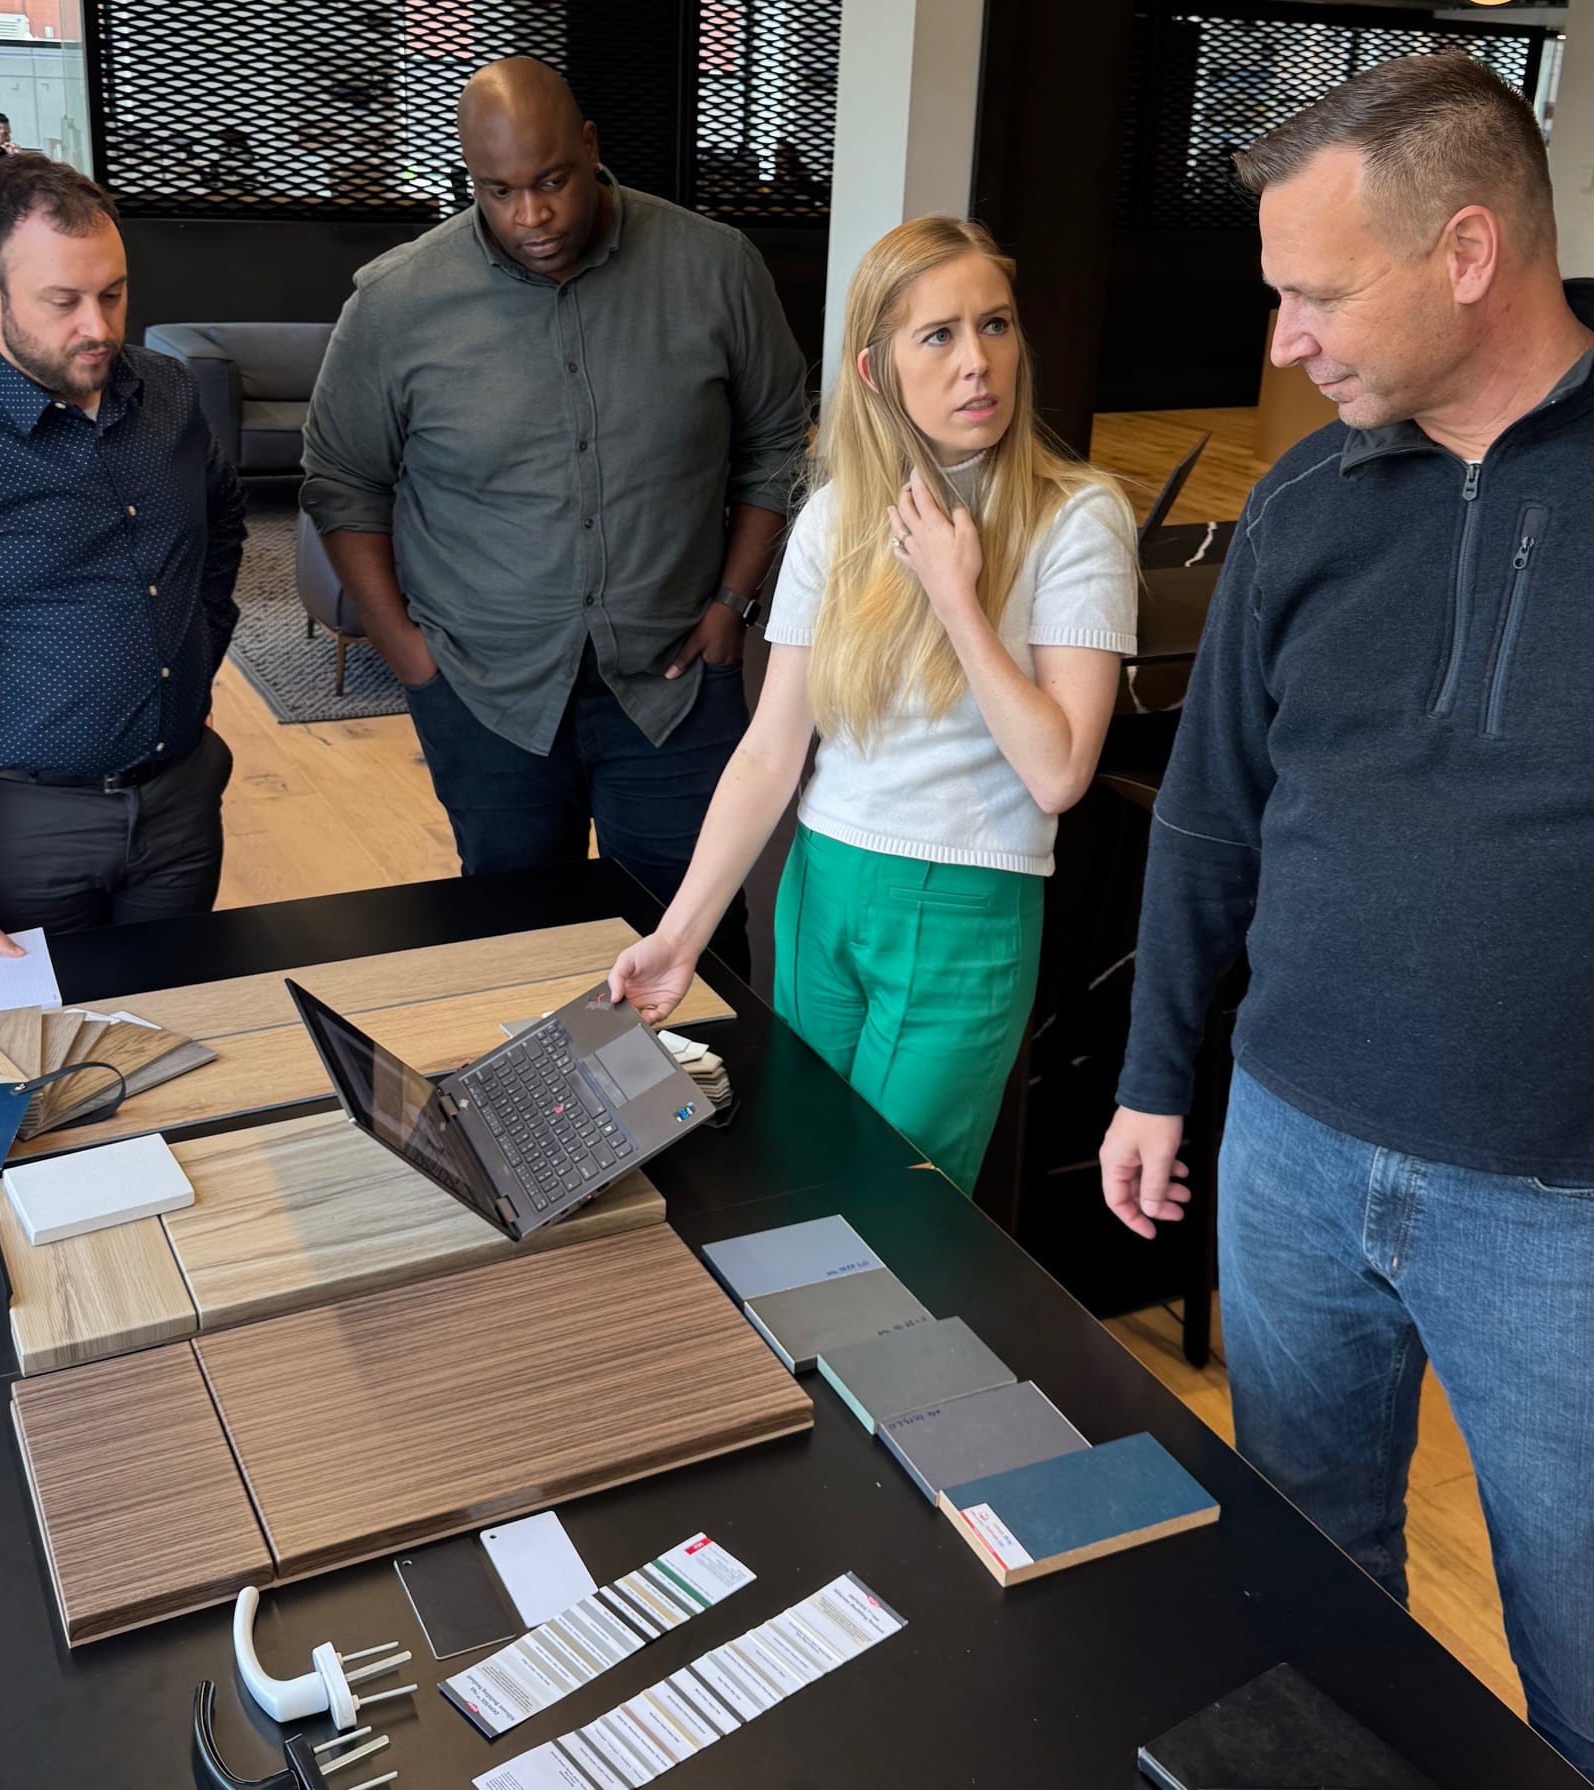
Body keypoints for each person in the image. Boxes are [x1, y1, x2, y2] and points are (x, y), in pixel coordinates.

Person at [1098, 53, 1594, 1772]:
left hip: (1558, 1209)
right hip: (1287, 1158)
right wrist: (1153, 1080)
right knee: (1308, 1599)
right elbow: (1210, 816)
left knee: (1581, 1661)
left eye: (1316, 293)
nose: (1286, 341)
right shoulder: (1303, 504)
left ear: (1465, 252)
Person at [609, 216, 1137, 1193]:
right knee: (798, 1174)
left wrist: (955, 598)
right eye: (937, 335)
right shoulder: (836, 515)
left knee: (897, 1204)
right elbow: (770, 752)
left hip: (966, 898)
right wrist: (679, 939)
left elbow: (1059, 773)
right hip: (822, 881)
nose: (976, 361)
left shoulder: (1078, 516)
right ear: (875, 369)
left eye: (995, 324)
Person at [302, 57, 807, 974]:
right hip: (481, 693)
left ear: (590, 146)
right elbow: (341, 481)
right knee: (514, 949)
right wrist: (409, 656)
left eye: (552, 181)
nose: (531, 215)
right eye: (498, 191)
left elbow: (776, 441)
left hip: (674, 687)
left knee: (696, 946)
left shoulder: (714, 266)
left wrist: (733, 604)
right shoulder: (397, 302)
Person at [0, 155, 245, 957]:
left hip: (180, 801)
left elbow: (221, 531)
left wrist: (194, 661)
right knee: (48, 1036)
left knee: (181, 1008)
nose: (98, 327)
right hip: (23, 824)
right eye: (62, 301)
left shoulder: (170, 393)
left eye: (113, 293)